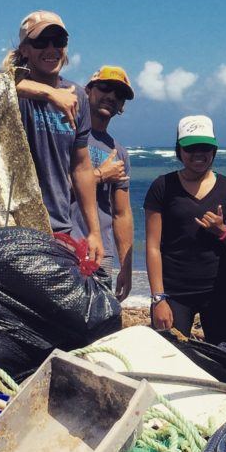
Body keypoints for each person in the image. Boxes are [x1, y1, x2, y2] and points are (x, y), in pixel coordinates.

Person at [0, 10, 102, 265]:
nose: (51, 49)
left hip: (58, 228)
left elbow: (81, 168)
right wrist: (48, 93)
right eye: (40, 42)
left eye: (57, 42)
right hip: (10, 225)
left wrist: (94, 232)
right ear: (25, 49)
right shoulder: (9, 89)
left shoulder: (78, 97)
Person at [144, 116, 226, 344]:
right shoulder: (162, 186)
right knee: (170, 358)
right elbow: (152, 246)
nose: (199, 154)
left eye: (205, 147)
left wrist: (223, 231)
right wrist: (158, 298)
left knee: (225, 363)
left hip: (219, 292)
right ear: (179, 150)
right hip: (174, 293)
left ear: (214, 149)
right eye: (191, 148)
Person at [73, 67, 134, 299]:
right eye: (105, 88)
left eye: (119, 94)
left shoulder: (119, 152)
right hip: (64, 243)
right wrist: (99, 175)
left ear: (122, 106)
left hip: (101, 254)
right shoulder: (67, 133)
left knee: (97, 325)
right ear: (88, 90)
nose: (111, 96)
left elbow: (122, 213)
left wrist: (125, 266)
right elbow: (50, 186)